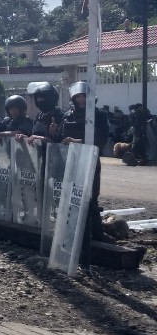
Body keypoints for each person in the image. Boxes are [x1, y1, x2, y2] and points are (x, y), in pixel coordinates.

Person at [57, 81, 111, 242]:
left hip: (90, 158)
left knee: (91, 197)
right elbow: (59, 137)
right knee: (71, 195)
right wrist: (55, 133)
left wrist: (78, 141)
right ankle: (71, 230)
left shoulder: (99, 115)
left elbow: (101, 139)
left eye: (84, 96)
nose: (81, 100)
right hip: (71, 159)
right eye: (78, 96)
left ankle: (97, 233)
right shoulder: (68, 115)